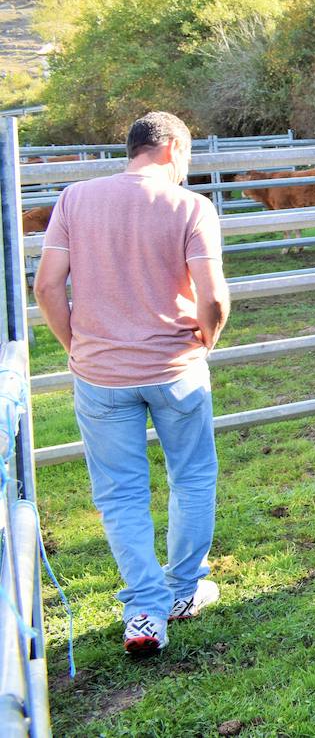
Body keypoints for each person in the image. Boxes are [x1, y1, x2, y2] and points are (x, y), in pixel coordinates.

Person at [34, 111, 230, 657]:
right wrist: (205, 343)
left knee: (119, 493)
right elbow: (213, 298)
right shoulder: (190, 206)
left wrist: (76, 346)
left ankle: (144, 612)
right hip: (175, 369)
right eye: (186, 157)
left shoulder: (75, 199)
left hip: (100, 375)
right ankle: (182, 593)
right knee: (191, 477)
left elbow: (47, 286)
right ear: (170, 148)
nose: (186, 169)